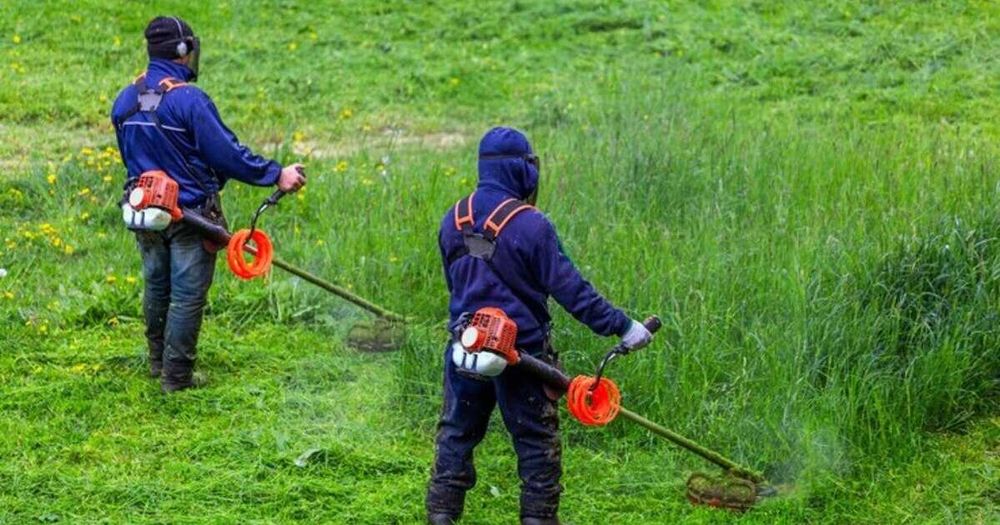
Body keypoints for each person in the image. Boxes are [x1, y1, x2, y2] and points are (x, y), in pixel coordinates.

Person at [427, 127, 653, 524]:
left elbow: (454, 286)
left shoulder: (453, 218)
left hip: (465, 350)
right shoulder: (531, 225)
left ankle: (440, 518)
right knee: (536, 452)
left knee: (455, 440)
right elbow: (574, 293)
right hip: (525, 358)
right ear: (522, 169)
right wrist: (624, 327)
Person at [110, 16, 306, 392]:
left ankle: (156, 362)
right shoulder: (188, 100)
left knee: (156, 285)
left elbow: (129, 155)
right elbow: (227, 154)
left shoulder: (128, 98)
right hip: (190, 215)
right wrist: (276, 174)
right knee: (185, 295)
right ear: (184, 51)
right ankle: (177, 378)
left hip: (145, 211)